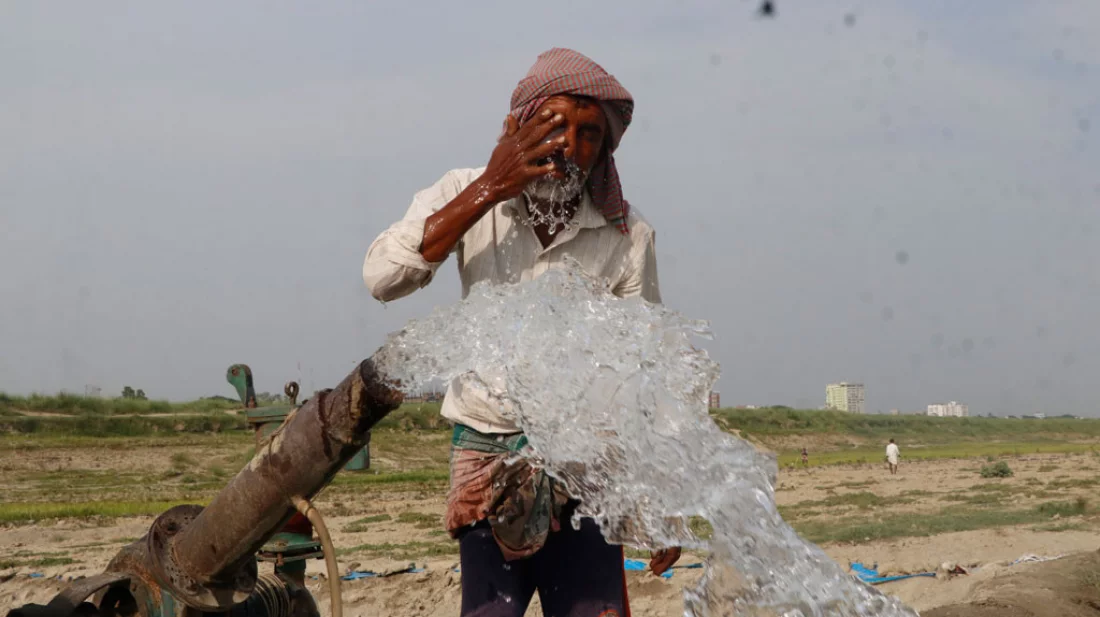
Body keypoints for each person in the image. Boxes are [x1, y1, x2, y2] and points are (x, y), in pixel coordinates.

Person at [363, 47, 678, 617]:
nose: (568, 146)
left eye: (589, 134)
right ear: (518, 127)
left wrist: (657, 502)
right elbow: (382, 277)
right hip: (487, 462)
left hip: (587, 468)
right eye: (553, 125)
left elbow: (642, 377)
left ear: (605, 148)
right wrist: (491, 185)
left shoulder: (628, 237)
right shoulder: (468, 191)